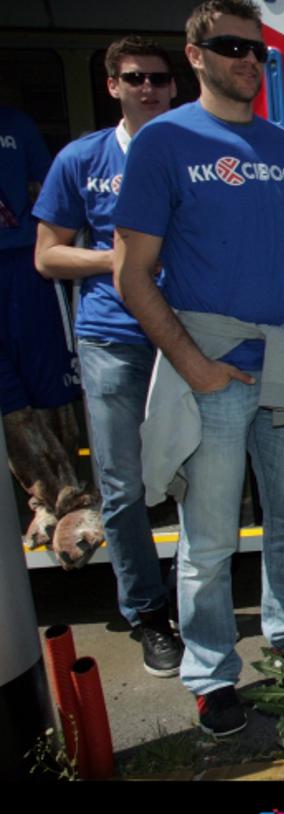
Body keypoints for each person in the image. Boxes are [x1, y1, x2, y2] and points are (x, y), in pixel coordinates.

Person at [113, 0, 284, 736]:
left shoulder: (278, 144)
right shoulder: (163, 142)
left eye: (255, 51)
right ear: (195, 55)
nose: (248, 60)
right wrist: (191, 363)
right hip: (210, 368)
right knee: (207, 542)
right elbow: (131, 273)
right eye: (231, 47)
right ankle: (210, 675)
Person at [32, 36, 182, 676]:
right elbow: (46, 255)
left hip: (186, 337)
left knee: (198, 482)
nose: (147, 87)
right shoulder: (80, 158)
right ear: (112, 86)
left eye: (157, 78)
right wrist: (120, 259)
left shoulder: (193, 151)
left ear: (175, 86)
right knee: (122, 489)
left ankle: (192, 604)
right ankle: (148, 614)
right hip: (113, 339)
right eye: (133, 78)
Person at [2, 103, 95, 570]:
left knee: (51, 384)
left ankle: (72, 501)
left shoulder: (15, 125)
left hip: (22, 267)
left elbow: (45, 198)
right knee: (8, 398)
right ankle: (46, 499)